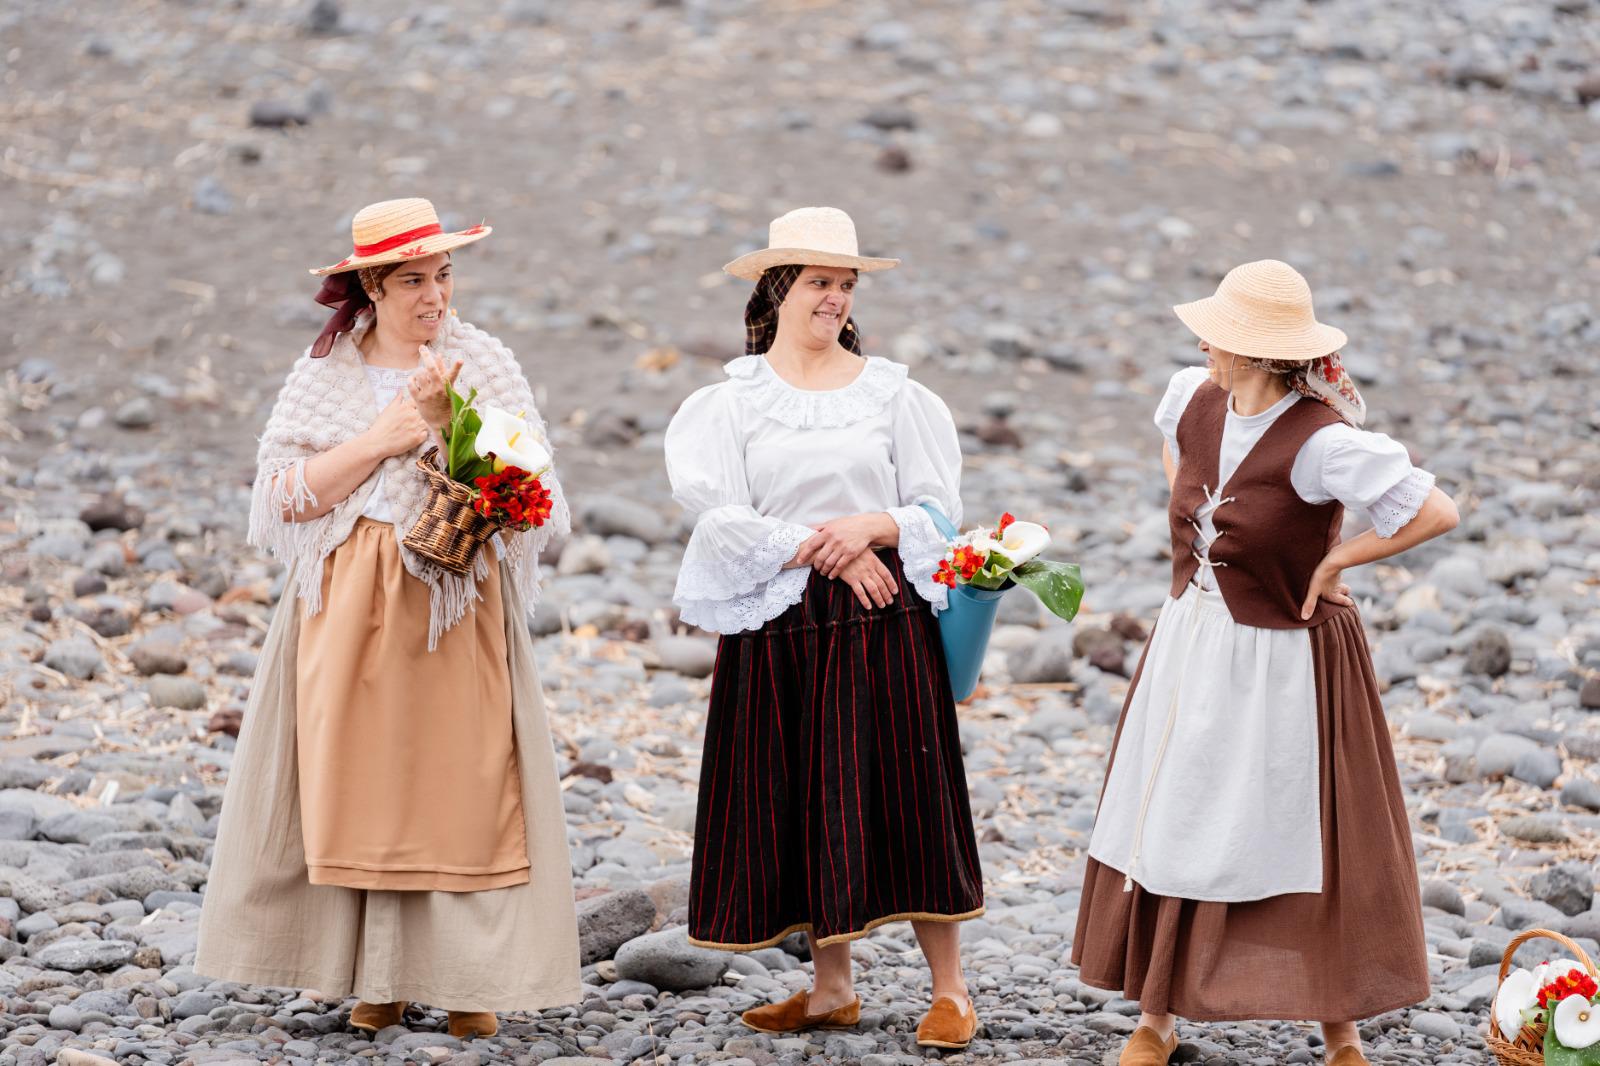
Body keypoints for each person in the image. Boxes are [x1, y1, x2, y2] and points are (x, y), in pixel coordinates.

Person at [194, 198, 580, 1038]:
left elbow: (534, 496)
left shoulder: (482, 358)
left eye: (443, 275)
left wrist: (454, 438)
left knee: (463, 786)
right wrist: (382, 438)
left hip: (454, 598)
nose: (435, 295)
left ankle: (470, 979)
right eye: (414, 279)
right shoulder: (328, 369)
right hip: (344, 602)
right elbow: (278, 499)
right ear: (373, 283)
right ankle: (379, 978)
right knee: (359, 787)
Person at [1072, 259, 1459, 1066]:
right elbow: (1180, 471)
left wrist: (1334, 562)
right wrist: (1195, 549)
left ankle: (1339, 1025)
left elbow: (1434, 510)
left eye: (1221, 335)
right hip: (1192, 640)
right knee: (1176, 805)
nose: (1205, 343)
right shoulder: (1191, 396)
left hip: (1285, 656)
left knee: (1303, 827)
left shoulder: (1325, 442)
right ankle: (1157, 1014)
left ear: (1259, 353)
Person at [664, 207, 984, 1049]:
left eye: (845, 284)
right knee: (812, 794)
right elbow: (719, 517)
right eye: (819, 282)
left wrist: (871, 528)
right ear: (779, 290)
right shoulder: (731, 403)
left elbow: (937, 508)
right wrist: (826, 548)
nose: (835, 298)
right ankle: (830, 985)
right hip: (783, 618)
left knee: (912, 794)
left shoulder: (893, 394)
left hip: (883, 617)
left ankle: (950, 990)